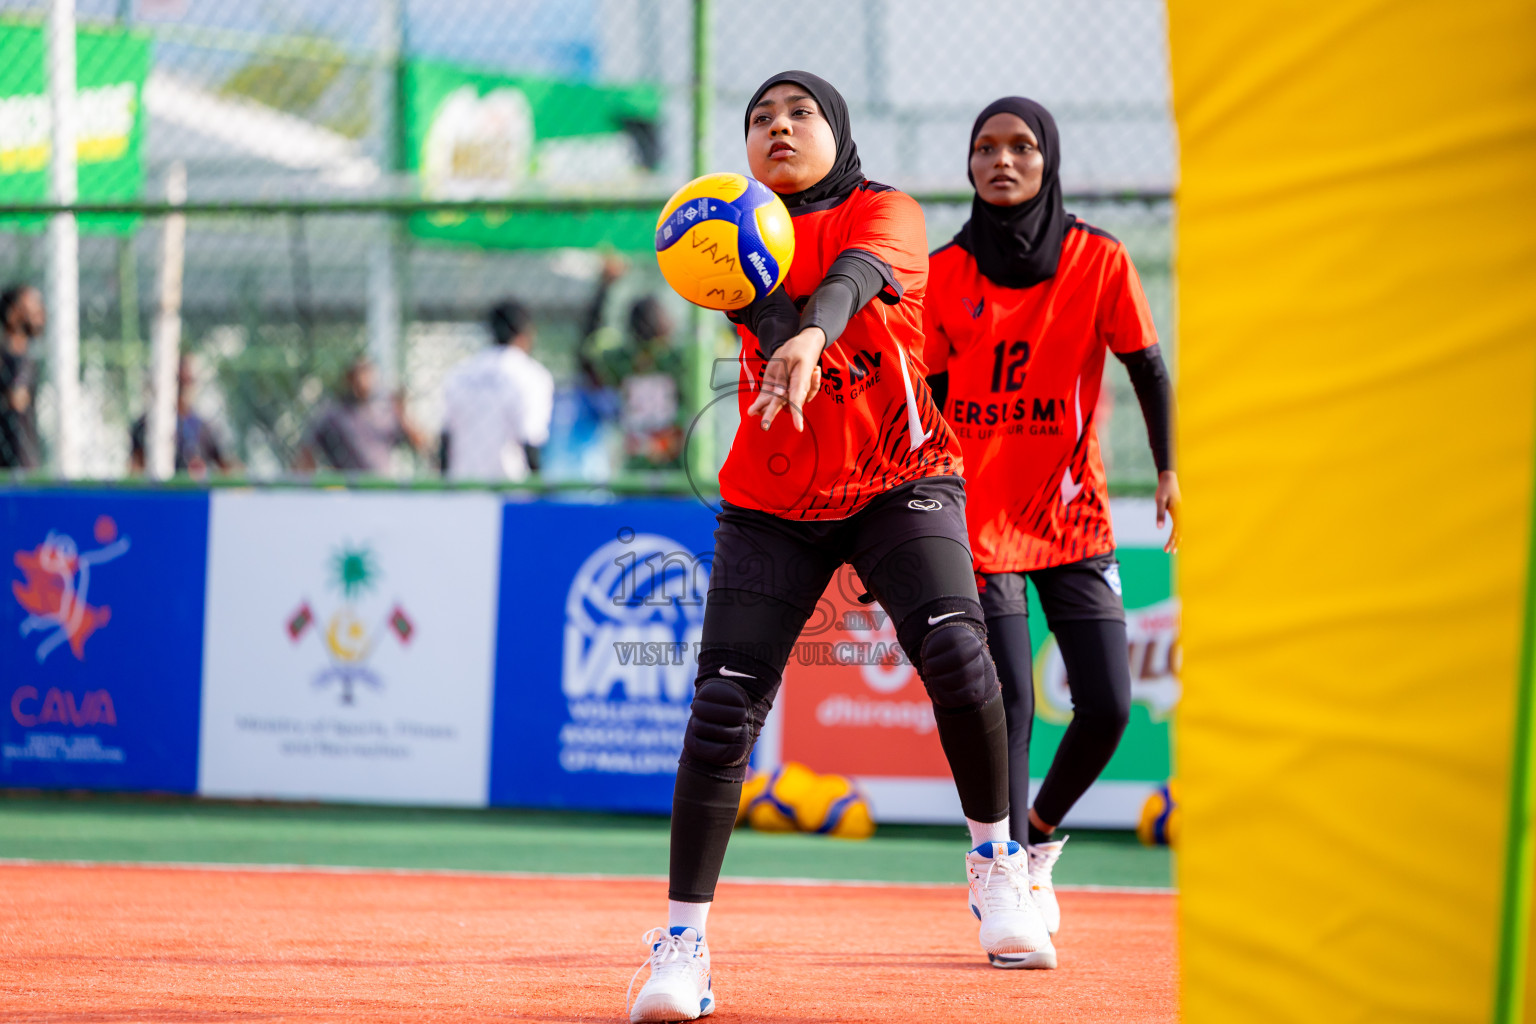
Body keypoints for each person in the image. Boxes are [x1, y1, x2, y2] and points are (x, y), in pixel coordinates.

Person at [626, 72, 1052, 1024]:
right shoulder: (733, 234)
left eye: (799, 114)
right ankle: (681, 947)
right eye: (760, 120)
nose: (778, 128)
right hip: (775, 496)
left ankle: (997, 863)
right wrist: (789, 331)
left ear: (839, 131)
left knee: (955, 649)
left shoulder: (888, 210)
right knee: (724, 704)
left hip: (902, 475)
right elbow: (761, 305)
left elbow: (857, 278)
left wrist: (814, 334)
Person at [922, 97, 1181, 940]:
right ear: (968, 166)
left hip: (1073, 517)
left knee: (1106, 704)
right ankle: (1002, 886)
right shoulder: (944, 273)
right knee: (1013, 707)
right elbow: (921, 407)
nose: (1004, 160)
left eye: (1023, 147)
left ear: (1049, 160)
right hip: (979, 521)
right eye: (986, 148)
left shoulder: (1099, 260)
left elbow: (1148, 369)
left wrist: (1171, 471)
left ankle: (1033, 838)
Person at [579, 256, 688, 470]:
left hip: (636, 461)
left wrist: (605, 288)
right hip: (675, 463)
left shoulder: (623, 361)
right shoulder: (675, 359)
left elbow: (591, 343)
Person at [439, 299, 554, 482]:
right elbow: (531, 439)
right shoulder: (531, 375)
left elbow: (445, 439)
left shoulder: (460, 373)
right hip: (510, 493)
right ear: (526, 333)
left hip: (463, 489)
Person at [295, 355, 426, 474]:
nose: (362, 381)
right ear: (348, 379)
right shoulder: (334, 414)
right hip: (347, 488)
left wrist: (401, 412)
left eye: (367, 374)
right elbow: (307, 449)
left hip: (380, 487)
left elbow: (420, 443)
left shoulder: (385, 411)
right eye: (357, 375)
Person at [130, 354, 236, 477]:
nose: (185, 389)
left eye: (189, 381)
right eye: (180, 382)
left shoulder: (205, 428)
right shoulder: (145, 425)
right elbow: (135, 469)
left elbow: (227, 467)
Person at [0, 284, 43, 470]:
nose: (40, 312)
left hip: (23, 457)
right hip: (16, 460)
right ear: (12, 313)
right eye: (31, 305)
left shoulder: (25, 359)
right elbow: (17, 400)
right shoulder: (16, 360)